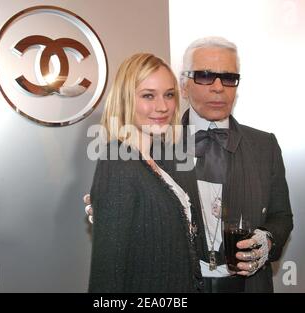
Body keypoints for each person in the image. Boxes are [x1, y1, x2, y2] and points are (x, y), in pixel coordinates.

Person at [86, 37, 293, 293]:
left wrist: (268, 240)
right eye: (205, 76)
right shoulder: (151, 144)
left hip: (250, 286)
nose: (218, 87)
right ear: (184, 86)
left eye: (228, 77)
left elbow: (282, 216)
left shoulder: (265, 145)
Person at [87, 53, 203, 293]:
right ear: (125, 99)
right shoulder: (117, 161)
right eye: (148, 95)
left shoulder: (160, 160)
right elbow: (107, 274)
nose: (162, 106)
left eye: (169, 95)